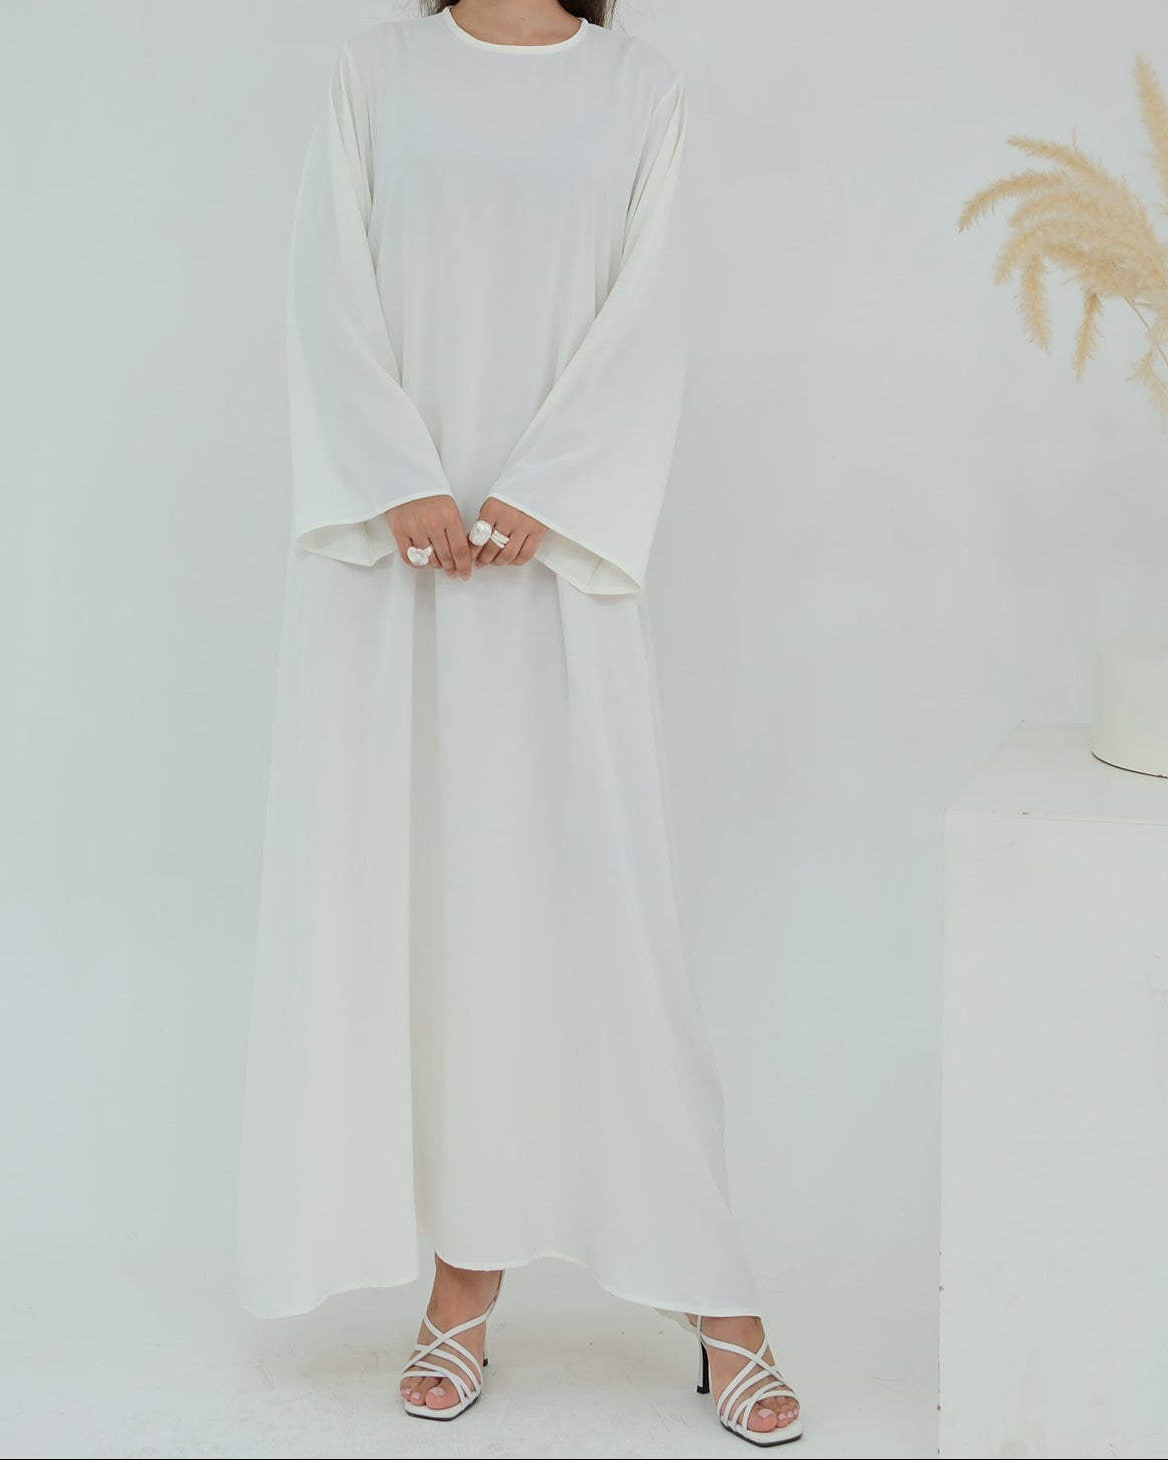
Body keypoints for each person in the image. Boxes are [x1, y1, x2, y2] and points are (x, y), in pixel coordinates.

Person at [236, 0, 802, 1444]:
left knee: (605, 915)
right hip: (402, 578)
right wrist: (398, 471)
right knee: (429, 923)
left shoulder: (639, 89)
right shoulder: (376, 71)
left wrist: (550, 483)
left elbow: (651, 305)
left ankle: (714, 1294)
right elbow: (324, 285)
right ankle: (458, 1294)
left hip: (559, 570)